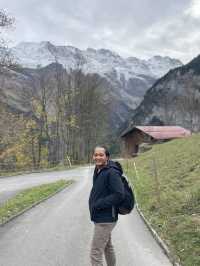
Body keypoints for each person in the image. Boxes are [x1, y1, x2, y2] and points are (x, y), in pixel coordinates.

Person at [89, 146, 125, 266]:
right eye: (96, 155)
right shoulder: (99, 169)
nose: (98, 157)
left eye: (101, 155)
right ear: (93, 156)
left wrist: (99, 204)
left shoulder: (112, 172)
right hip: (102, 216)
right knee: (107, 246)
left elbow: (119, 194)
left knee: (95, 251)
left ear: (107, 157)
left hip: (106, 218)